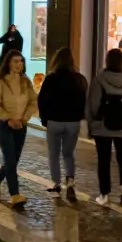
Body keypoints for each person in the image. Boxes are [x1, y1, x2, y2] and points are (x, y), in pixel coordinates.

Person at [87, 47, 122, 206]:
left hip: (102, 128)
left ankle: (104, 194)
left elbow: (92, 105)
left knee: (103, 160)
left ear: (107, 61)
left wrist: (92, 123)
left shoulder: (98, 80)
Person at [0, 49, 37, 208]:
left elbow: (33, 102)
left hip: (21, 125)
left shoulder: (26, 82)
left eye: (21, 61)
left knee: (13, 160)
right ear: (8, 63)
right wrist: (8, 118)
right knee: (9, 158)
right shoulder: (1, 82)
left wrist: (23, 119)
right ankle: (14, 194)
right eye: (15, 61)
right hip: (5, 125)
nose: (19, 64)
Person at [38, 47, 86, 198]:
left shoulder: (51, 78)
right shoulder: (79, 79)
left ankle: (56, 183)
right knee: (68, 153)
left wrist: (44, 119)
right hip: (72, 122)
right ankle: (70, 180)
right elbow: (84, 100)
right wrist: (79, 116)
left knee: (53, 154)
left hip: (54, 121)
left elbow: (42, 100)